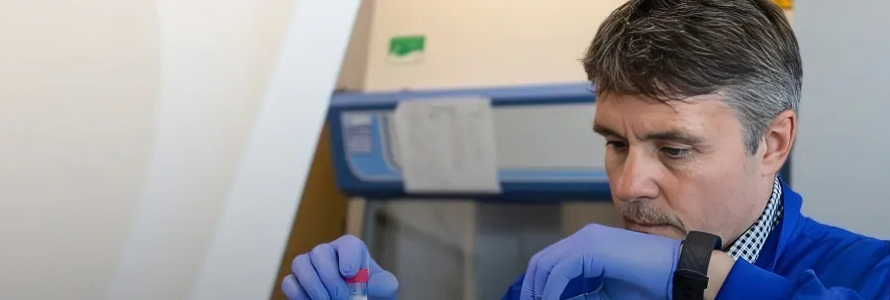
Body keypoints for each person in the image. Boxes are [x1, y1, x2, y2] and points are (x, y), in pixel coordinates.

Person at [281, 0, 890, 299]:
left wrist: (690, 273)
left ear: (773, 143)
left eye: (674, 150)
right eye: (616, 143)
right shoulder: (565, 286)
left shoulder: (869, 275)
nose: (627, 186)